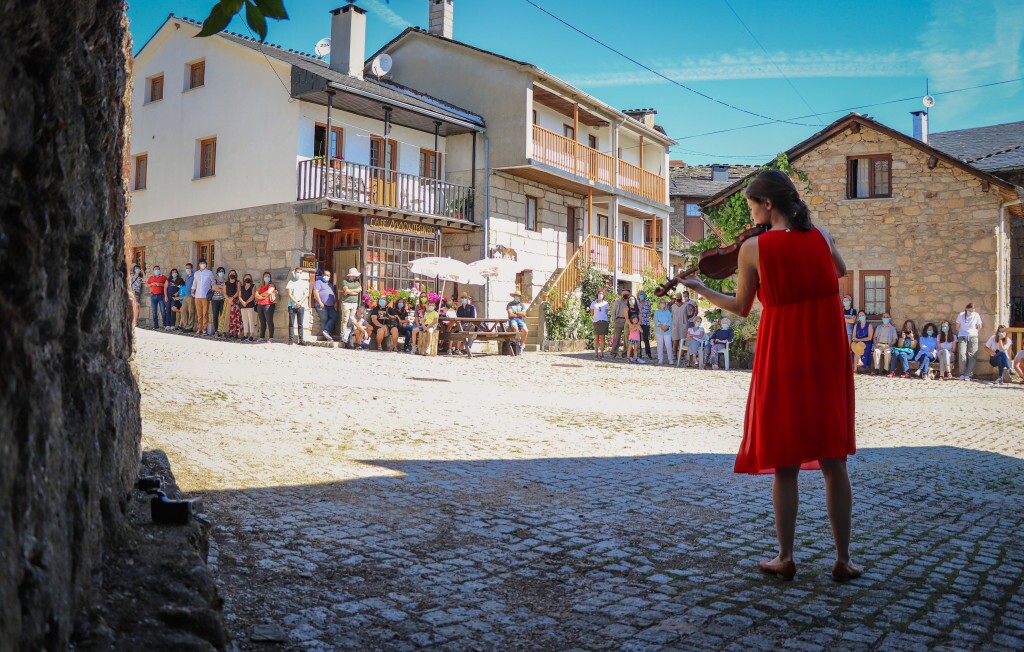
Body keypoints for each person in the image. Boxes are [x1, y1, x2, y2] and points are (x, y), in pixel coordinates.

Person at [679, 169, 859, 582]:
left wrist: (699, 287)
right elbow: (840, 270)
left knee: (786, 462)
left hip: (785, 352)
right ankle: (844, 560)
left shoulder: (755, 249)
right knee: (835, 460)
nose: (751, 214)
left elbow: (742, 306)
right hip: (828, 352)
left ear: (767, 205)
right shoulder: (822, 235)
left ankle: (786, 556)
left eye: (751, 206)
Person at [955, 303, 983, 380]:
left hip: (973, 336)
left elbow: (980, 326)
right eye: (969, 310)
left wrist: (974, 332)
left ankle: (968, 373)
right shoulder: (961, 315)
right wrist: (963, 332)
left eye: (972, 310)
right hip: (962, 336)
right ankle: (962, 373)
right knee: (962, 354)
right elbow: (957, 327)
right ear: (966, 309)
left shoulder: (976, 315)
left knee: (972, 355)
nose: (970, 312)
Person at [286, 267, 310, 345]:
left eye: (300, 272)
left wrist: (299, 303)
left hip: (301, 305)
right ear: (295, 273)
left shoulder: (304, 283)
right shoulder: (290, 282)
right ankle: (291, 340)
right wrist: (296, 302)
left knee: (300, 324)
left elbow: (306, 294)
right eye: (297, 272)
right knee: (291, 323)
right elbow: (289, 294)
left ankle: (301, 340)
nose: (298, 274)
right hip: (291, 305)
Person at [191, 259, 214, 336]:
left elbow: (213, 283)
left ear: (206, 264)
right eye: (201, 263)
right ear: (199, 264)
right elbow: (194, 283)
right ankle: (199, 328)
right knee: (199, 313)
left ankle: (204, 328)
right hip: (197, 296)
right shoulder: (196, 273)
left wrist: (211, 292)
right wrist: (192, 291)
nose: (202, 264)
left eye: (204, 263)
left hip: (205, 296)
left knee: (205, 313)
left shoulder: (209, 273)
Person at [313, 270, 337, 342]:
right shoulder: (318, 283)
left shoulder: (330, 285)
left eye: (328, 275)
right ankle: (327, 336)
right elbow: (315, 292)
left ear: (330, 277)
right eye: (325, 275)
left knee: (334, 316)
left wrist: (335, 302)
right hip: (321, 305)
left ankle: (326, 331)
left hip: (331, 305)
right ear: (322, 275)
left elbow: (334, 294)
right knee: (325, 319)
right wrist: (320, 302)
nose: (326, 276)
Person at [340, 268, 362, 347]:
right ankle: (342, 335)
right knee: (345, 319)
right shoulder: (345, 281)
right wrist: (354, 292)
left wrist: (350, 291)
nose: (355, 277)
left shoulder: (357, 281)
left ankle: (349, 335)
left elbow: (360, 289)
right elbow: (346, 290)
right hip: (346, 302)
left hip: (354, 303)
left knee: (352, 319)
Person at [255, 271, 278, 343]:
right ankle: (262, 337)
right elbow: (256, 295)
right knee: (262, 322)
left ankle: (271, 337)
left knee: (269, 321)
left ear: (270, 278)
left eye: (268, 277)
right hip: (259, 305)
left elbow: (269, 292)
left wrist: (260, 295)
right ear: (263, 278)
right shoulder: (260, 286)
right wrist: (262, 295)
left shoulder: (271, 285)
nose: (267, 278)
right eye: (265, 277)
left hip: (268, 305)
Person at [145, 265, 167, 330]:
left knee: (163, 311)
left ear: (159, 270)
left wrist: (160, 284)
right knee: (154, 311)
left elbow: (167, 285)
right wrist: (152, 284)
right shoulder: (151, 278)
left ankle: (165, 325)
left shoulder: (163, 277)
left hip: (161, 296)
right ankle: (156, 325)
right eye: (155, 270)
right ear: (153, 271)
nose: (157, 271)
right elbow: (146, 285)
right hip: (153, 296)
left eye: (158, 269)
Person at [652, 298, 674, 365]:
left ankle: (670, 359)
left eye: (664, 303)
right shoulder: (656, 312)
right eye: (661, 302)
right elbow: (656, 321)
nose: (662, 304)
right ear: (659, 304)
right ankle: (660, 358)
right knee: (660, 345)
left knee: (668, 345)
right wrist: (661, 326)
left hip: (667, 331)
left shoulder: (668, 312)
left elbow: (670, 321)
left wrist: (666, 326)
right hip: (659, 331)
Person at [609, 289, 630, 358]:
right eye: (624, 293)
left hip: (627, 320)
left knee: (626, 337)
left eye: (627, 293)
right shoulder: (618, 301)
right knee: (616, 337)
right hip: (619, 320)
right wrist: (614, 319)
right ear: (621, 294)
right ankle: (613, 352)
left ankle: (625, 353)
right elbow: (613, 311)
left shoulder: (630, 302)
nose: (625, 295)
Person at [590, 290, 610, 358]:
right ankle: (596, 353)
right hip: (596, 321)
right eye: (599, 294)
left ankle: (602, 353)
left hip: (604, 321)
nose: (600, 295)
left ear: (604, 295)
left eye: (601, 294)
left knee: (602, 338)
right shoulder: (593, 303)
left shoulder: (606, 303)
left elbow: (606, 313)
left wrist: (608, 321)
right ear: (597, 294)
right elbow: (592, 313)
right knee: (596, 338)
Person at [238, 273, 257, 342]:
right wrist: (243, 302)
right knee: (245, 320)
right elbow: (239, 296)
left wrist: (246, 302)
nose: (247, 279)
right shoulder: (242, 287)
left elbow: (253, 295)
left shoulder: (253, 286)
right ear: (244, 279)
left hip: (250, 305)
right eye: (246, 278)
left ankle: (251, 335)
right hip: (243, 306)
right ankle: (245, 334)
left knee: (251, 320)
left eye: (249, 278)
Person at [670, 293, 689, 361]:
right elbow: (671, 316)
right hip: (675, 325)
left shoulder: (685, 305)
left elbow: (688, 314)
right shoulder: (673, 306)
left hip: (683, 324)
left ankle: (682, 354)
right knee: (676, 340)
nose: (678, 298)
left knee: (683, 340)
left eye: (679, 297)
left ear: (681, 297)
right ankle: (675, 354)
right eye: (677, 297)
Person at [636, 290, 654, 361]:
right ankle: (639, 353)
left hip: (646, 322)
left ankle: (648, 353)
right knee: (638, 338)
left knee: (646, 338)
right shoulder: (636, 303)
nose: (641, 296)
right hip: (639, 322)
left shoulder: (648, 303)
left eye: (643, 294)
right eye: (640, 294)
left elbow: (649, 312)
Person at [224, 270, 242, 338]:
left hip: (235, 301)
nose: (232, 274)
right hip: (228, 301)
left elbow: (238, 291)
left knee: (236, 317)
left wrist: (233, 298)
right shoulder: (226, 283)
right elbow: (224, 293)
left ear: (236, 275)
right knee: (228, 317)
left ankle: (235, 332)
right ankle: (229, 332)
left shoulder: (238, 282)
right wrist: (229, 299)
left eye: (233, 273)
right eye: (231, 273)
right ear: (229, 275)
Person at [179, 263, 196, 332]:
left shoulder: (194, 276)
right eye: (186, 268)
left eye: (188, 268)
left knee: (191, 311)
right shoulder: (186, 277)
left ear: (192, 269)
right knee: (183, 311)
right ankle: (185, 325)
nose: (187, 269)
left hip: (191, 296)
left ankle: (190, 327)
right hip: (186, 296)